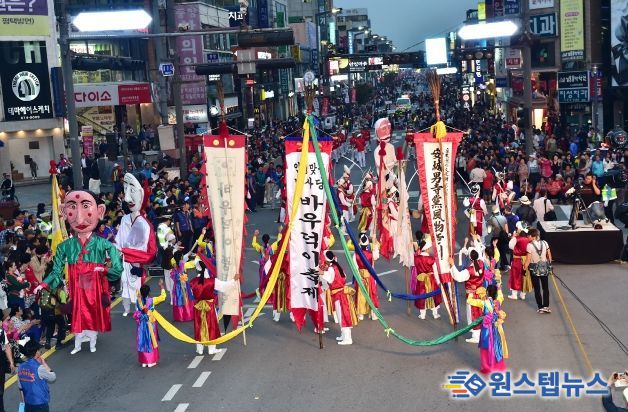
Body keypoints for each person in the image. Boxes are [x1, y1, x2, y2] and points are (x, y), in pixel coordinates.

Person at [37, 190, 123, 355]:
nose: (79, 217)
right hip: (77, 289)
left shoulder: (103, 244)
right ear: (64, 212)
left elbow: (118, 268)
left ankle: (92, 342)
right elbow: (56, 271)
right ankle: (78, 343)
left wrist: (104, 269)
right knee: (78, 315)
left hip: (95, 289)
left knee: (92, 315)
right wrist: (43, 284)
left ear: (100, 211)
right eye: (72, 207)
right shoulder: (65, 246)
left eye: (85, 207)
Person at [115, 173, 157, 317]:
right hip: (124, 259)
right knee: (124, 284)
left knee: (137, 284)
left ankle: (139, 306)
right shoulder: (125, 219)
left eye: (132, 191)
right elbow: (119, 240)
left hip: (136, 261)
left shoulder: (144, 224)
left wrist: (128, 251)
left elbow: (146, 249)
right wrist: (117, 250)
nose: (127, 198)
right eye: (125, 190)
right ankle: (126, 308)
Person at [190, 260, 238, 355]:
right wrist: (234, 280)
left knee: (199, 326)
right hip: (209, 307)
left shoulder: (192, 282)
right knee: (211, 326)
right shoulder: (211, 281)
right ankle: (211, 349)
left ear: (196, 270)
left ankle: (199, 349)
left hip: (198, 308)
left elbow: (192, 294)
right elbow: (224, 286)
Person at [467, 284, 508, 374]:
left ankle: (487, 367)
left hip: (486, 329)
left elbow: (469, 301)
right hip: (496, 328)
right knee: (496, 346)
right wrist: (499, 288)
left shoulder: (484, 303)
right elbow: (501, 296)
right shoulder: (498, 301)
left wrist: (471, 293)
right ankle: (496, 366)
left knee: (486, 346)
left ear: (487, 293)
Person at [319, 251, 357, 345]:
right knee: (342, 315)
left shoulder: (331, 269)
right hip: (341, 294)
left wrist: (319, 271)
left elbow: (327, 277)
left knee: (342, 316)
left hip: (339, 295)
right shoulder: (337, 266)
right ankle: (344, 335)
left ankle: (348, 338)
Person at [17, 340, 56, 412]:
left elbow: (21, 388)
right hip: (40, 404)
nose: (40, 352)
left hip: (28, 404)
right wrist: (44, 363)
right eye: (40, 350)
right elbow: (53, 377)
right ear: (37, 352)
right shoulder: (39, 368)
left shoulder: (20, 367)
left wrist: (24, 403)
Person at [134, 280, 166, 367]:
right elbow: (163, 297)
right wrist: (161, 286)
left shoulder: (138, 301)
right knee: (151, 339)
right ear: (149, 292)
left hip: (141, 323)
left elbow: (138, 311)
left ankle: (144, 361)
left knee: (142, 340)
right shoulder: (152, 300)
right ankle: (151, 361)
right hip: (150, 323)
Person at [351, 233, 379, 321]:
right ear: (367, 244)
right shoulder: (371, 253)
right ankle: (373, 314)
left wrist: (359, 278)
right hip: (370, 276)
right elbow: (376, 256)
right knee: (372, 294)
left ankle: (360, 314)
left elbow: (355, 268)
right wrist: (375, 244)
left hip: (360, 276)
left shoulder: (356, 255)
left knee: (361, 295)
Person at [413, 231, 441, 320]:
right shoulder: (431, 259)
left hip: (421, 280)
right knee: (433, 295)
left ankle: (422, 315)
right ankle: (435, 314)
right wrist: (438, 281)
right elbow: (435, 271)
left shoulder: (416, 258)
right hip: (431, 279)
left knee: (421, 296)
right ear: (428, 249)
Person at [523, 228, 553, 314]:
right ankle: (546, 306)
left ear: (532, 236)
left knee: (537, 288)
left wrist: (524, 268)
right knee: (545, 287)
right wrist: (549, 264)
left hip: (534, 269)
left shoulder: (529, 245)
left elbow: (528, 259)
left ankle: (540, 307)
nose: (527, 237)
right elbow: (549, 256)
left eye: (528, 236)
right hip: (544, 267)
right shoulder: (545, 243)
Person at [508, 222, 530, 301]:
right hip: (526, 259)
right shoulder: (528, 239)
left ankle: (514, 294)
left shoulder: (516, 238)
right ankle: (523, 294)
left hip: (517, 260)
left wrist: (513, 237)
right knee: (524, 276)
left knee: (515, 276)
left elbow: (510, 246)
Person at [170, 251, 195, 322]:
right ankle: (187, 315)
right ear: (180, 256)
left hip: (177, 285)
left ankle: (180, 316)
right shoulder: (182, 263)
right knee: (186, 298)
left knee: (179, 299)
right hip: (184, 284)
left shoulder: (174, 265)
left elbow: (173, 275)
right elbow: (184, 271)